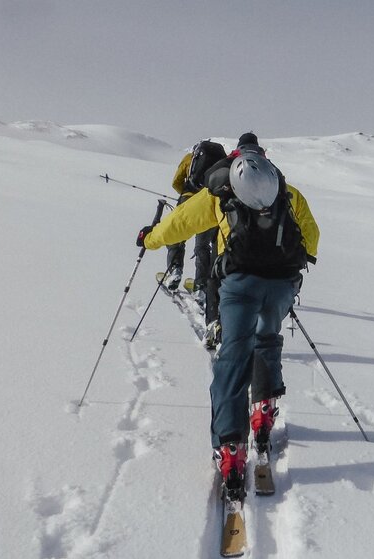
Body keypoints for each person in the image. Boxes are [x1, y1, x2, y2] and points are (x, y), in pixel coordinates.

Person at [136, 134, 319, 499]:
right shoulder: (287, 190)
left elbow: (181, 223)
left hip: (239, 284)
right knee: (268, 341)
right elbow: (310, 236)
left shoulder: (222, 188)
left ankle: (231, 449)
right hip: (281, 284)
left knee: (233, 358)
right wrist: (292, 271)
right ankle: (263, 412)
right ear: (264, 157)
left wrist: (149, 239)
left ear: (237, 155)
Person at [162, 140, 226, 297]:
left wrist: (185, 193)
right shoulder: (221, 162)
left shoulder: (189, 158)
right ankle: (201, 285)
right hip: (208, 204)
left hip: (187, 199)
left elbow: (176, 182)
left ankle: (175, 270)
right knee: (203, 246)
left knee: (176, 237)